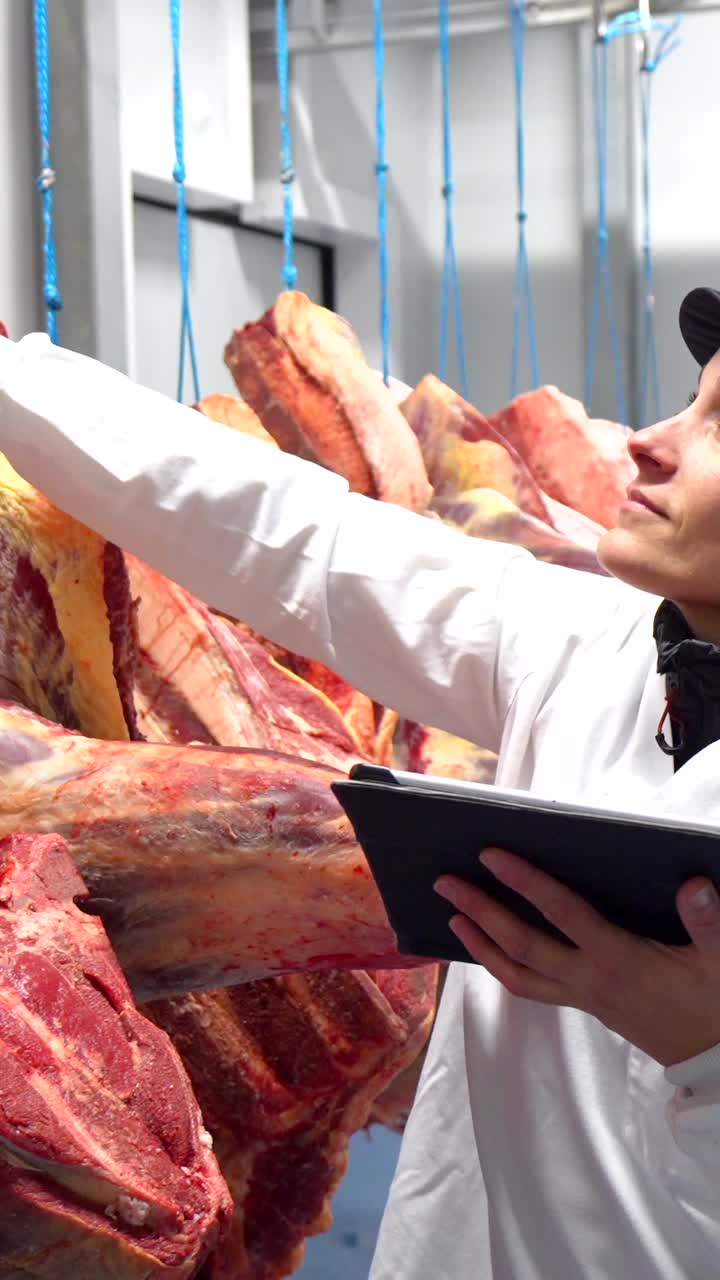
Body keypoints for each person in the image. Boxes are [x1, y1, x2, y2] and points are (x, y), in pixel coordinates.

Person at [2, 288, 720, 1278]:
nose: (651, 440)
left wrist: (708, 1060)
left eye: (719, 425)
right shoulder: (587, 647)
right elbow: (298, 536)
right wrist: (15, 376)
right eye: (693, 400)